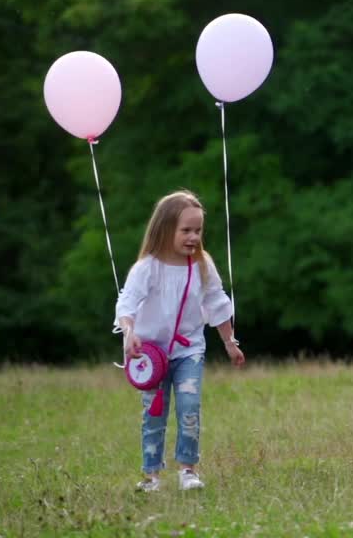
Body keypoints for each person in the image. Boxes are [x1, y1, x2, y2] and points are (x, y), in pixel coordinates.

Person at [114, 190, 245, 491]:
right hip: (151, 357)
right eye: (186, 230)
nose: (193, 237)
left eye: (198, 230)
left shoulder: (201, 265)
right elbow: (128, 303)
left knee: (189, 405)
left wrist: (229, 342)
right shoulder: (147, 268)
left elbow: (217, 302)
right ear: (164, 229)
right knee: (154, 414)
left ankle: (188, 469)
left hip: (190, 352)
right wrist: (129, 333)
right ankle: (151, 475)